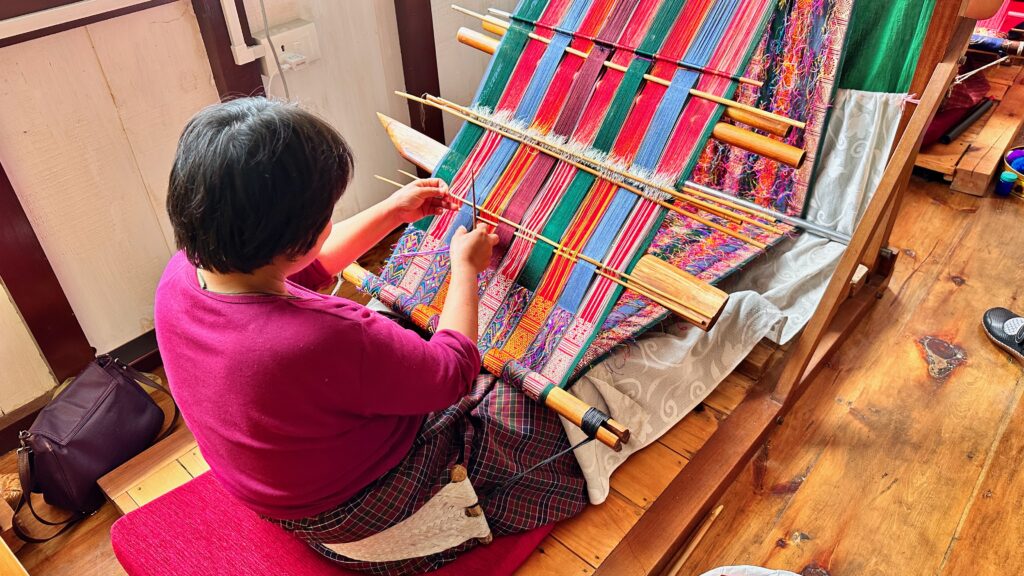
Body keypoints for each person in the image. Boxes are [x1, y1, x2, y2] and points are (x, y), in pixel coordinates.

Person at [154, 97, 587, 575]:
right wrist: (465, 269)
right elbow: (453, 373)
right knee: (533, 403)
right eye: (326, 213)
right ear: (294, 237)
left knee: (400, 328)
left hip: (281, 495)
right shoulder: (323, 337)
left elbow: (308, 268)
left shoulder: (182, 276)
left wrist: (393, 211)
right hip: (364, 519)